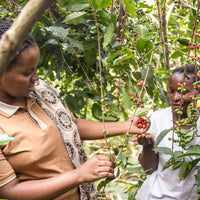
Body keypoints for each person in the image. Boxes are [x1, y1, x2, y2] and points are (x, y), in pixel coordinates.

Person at [0, 20, 149, 200]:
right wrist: (79, 175)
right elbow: (10, 190)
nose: (36, 77)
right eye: (26, 73)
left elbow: (71, 125)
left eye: (35, 69)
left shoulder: (40, 89)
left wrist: (125, 126)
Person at [133, 64, 200, 200]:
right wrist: (148, 145)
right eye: (171, 91)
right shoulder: (158, 118)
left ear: (197, 92)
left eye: (183, 92)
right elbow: (148, 169)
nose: (175, 97)